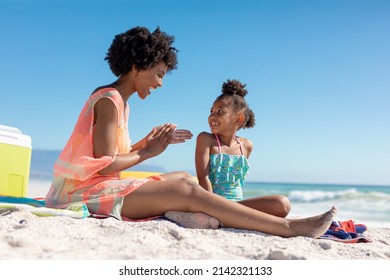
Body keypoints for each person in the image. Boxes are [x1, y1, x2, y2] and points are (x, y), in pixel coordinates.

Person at [45, 26, 337, 238]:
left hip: (95, 188)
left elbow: (111, 156)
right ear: (137, 66)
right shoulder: (109, 100)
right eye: (159, 73)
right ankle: (289, 228)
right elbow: (105, 164)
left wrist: (148, 142)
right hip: (80, 194)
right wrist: (148, 152)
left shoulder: (120, 103)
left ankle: (191, 213)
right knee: (183, 188)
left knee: (184, 179)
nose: (160, 83)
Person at [193, 79, 290, 217]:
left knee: (282, 204)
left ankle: (235, 215)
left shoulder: (246, 145)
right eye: (211, 111)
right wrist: (211, 209)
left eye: (220, 112)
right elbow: (203, 179)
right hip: (212, 205)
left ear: (238, 119)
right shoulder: (206, 139)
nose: (212, 116)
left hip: (237, 206)